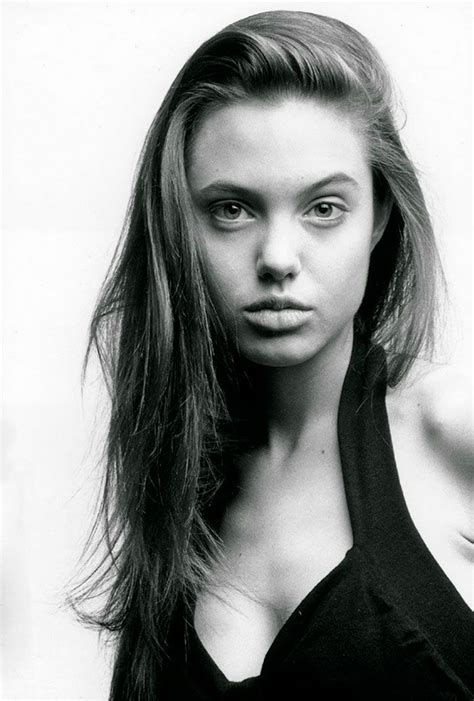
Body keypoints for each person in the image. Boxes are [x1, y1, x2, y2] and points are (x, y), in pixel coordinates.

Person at [70, 10, 473, 699]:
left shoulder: (454, 432)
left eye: (323, 208)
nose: (278, 259)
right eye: (232, 209)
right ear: (178, 224)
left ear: (378, 217)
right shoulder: (175, 486)